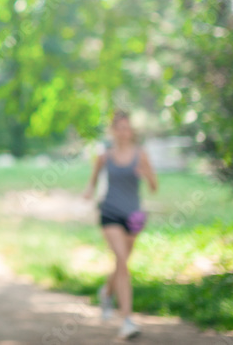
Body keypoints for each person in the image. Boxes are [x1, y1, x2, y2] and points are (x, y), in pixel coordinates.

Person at [83, 110, 158, 340]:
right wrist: (88, 191)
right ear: (113, 131)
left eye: (127, 128)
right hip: (110, 213)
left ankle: (107, 292)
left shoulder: (141, 155)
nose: (124, 132)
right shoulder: (104, 157)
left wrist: (146, 174)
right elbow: (93, 181)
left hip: (134, 216)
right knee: (123, 262)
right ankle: (127, 320)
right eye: (119, 128)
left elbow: (154, 187)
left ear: (131, 131)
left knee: (121, 262)